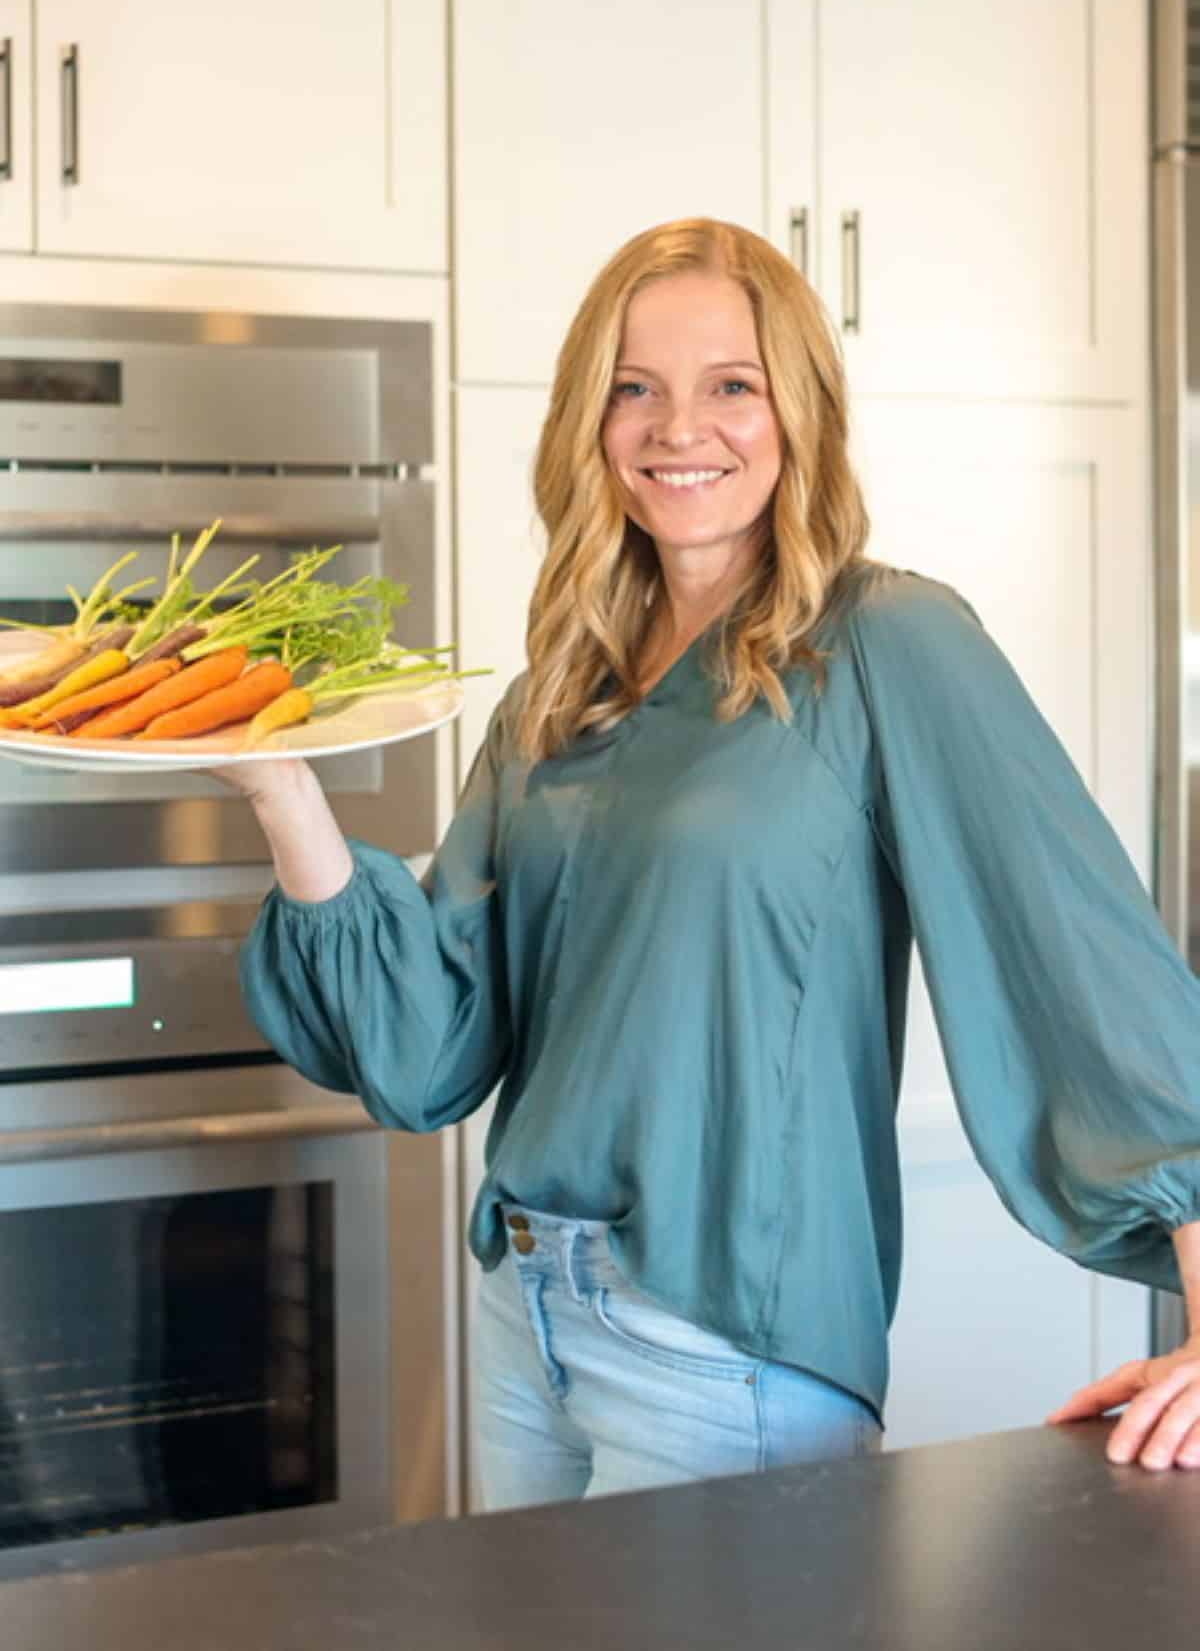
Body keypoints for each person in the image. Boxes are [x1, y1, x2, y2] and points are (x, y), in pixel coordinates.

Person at [225, 217, 1200, 1509]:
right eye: (637, 388)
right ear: (594, 420)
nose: (679, 427)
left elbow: (1081, 952)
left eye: (730, 385)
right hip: (528, 1319)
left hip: (727, 1353)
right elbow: (429, 1047)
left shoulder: (886, 643)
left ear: (796, 412)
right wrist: (274, 779)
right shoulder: (551, 701)